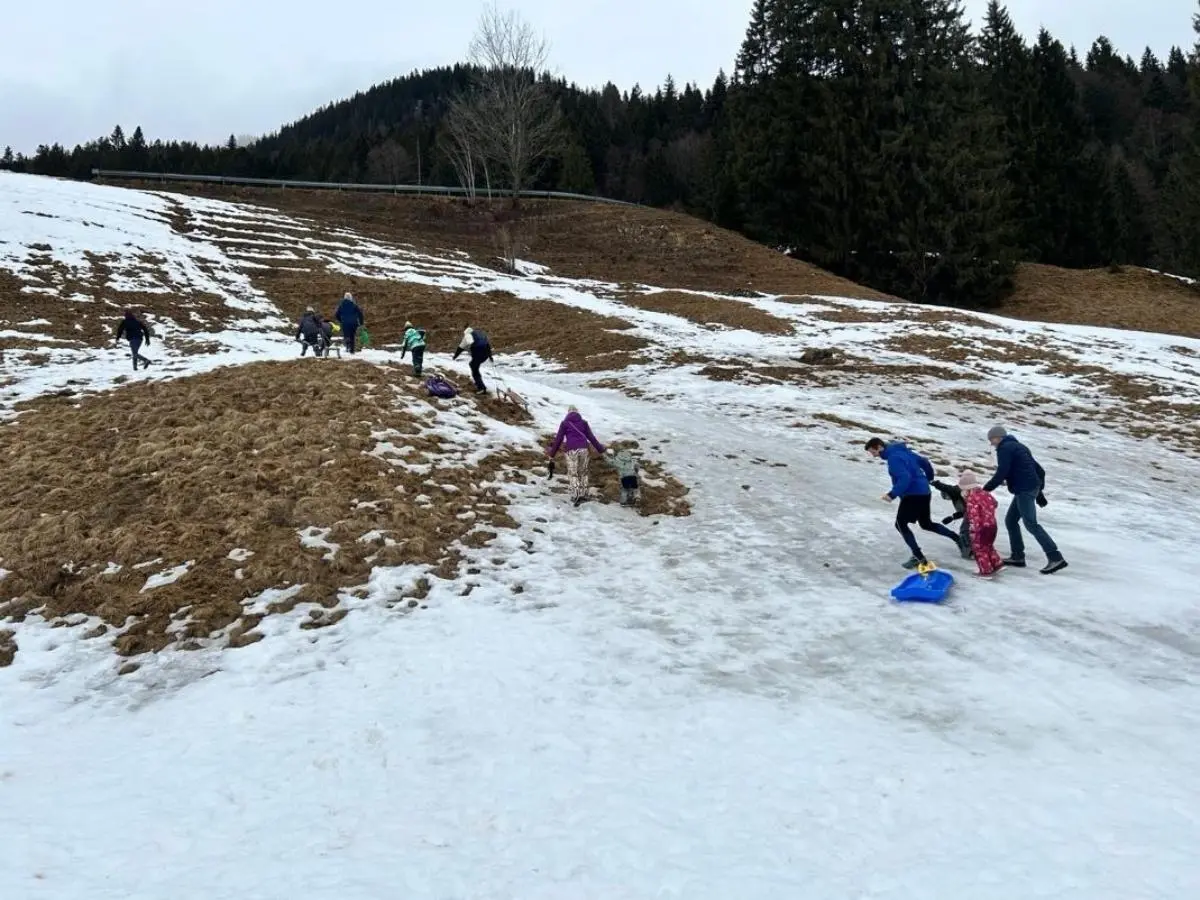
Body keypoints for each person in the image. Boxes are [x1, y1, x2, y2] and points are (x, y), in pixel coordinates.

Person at [865, 437, 962, 568]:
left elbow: (905, 477)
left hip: (913, 494)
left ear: (879, 447)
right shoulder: (903, 451)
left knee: (900, 524)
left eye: (873, 452)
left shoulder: (893, 458)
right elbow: (925, 462)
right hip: (924, 492)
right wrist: (928, 479)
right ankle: (959, 539)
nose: (874, 455)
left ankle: (918, 557)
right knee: (926, 524)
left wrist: (892, 494)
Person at [983, 426, 1067, 575]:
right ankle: (1018, 556)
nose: (992, 443)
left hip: (1024, 490)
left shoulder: (1005, 449)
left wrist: (985, 490)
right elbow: (1039, 470)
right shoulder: (1020, 446)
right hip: (1028, 488)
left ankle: (1055, 557)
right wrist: (1038, 492)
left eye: (992, 440)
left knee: (1031, 524)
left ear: (999, 437)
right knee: (1010, 521)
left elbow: (1002, 471)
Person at [547, 406, 607, 507]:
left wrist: (552, 453)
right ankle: (583, 494)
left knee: (573, 473)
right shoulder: (583, 423)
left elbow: (559, 439)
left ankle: (576, 495)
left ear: (568, 413)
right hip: (583, 449)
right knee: (583, 472)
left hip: (571, 450)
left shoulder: (565, 423)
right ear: (577, 412)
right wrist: (600, 449)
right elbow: (591, 437)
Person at [959, 471, 1003, 577]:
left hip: (980, 528)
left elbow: (974, 516)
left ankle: (986, 571)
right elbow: (995, 503)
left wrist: (974, 529)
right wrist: (987, 510)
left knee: (979, 550)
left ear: (966, 489)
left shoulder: (971, 499)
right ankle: (997, 564)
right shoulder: (985, 493)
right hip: (993, 525)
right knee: (988, 546)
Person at [931, 478, 973, 559]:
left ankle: (968, 552)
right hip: (972, 514)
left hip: (976, 513)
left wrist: (936, 484)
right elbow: (963, 512)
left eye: (946, 497)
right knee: (970, 531)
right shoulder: (956, 498)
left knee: (964, 531)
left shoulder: (955, 491)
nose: (948, 499)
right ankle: (976, 550)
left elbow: (947, 488)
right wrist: (952, 517)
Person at [453, 325, 493, 393]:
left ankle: (482, 388)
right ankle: (478, 382)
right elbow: (487, 345)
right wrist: (490, 356)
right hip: (485, 354)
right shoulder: (480, 334)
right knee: (474, 366)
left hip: (478, 353)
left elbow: (460, 348)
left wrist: (455, 356)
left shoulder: (467, 335)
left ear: (465, 331)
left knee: (474, 369)